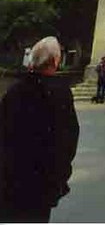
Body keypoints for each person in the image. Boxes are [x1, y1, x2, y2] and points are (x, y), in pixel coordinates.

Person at [0, 35, 79, 223]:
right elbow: (68, 140)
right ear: (55, 61)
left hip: (9, 182)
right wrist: (59, 179)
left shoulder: (13, 91)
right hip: (41, 185)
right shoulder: (60, 94)